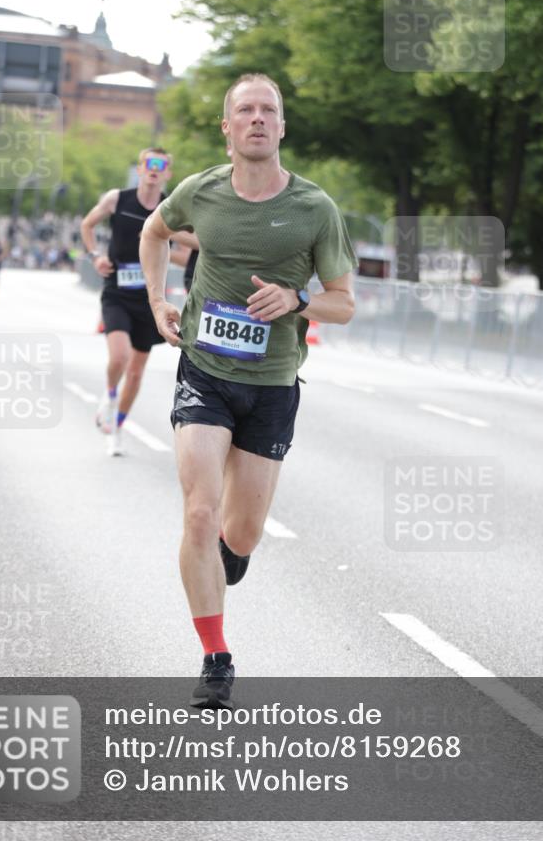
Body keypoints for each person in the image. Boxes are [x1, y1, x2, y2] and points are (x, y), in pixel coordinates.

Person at [140, 73, 357, 708]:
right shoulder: (200, 192)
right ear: (228, 127)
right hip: (204, 372)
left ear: (282, 127)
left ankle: (225, 558)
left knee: (240, 534)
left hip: (271, 386)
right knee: (199, 513)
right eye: (246, 110)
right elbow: (154, 232)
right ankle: (216, 658)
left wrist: (298, 300)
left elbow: (345, 304)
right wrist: (158, 301)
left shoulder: (315, 208)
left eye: (268, 110)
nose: (257, 118)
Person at [81, 148, 198, 457]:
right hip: (117, 291)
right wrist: (95, 256)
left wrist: (158, 239)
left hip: (150, 298)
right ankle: (109, 397)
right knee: (119, 356)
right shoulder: (117, 199)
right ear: (141, 168)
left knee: (135, 372)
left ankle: (117, 429)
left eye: (161, 165)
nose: (154, 169)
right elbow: (87, 225)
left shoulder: (172, 209)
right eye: (149, 164)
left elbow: (190, 251)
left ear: (168, 173)